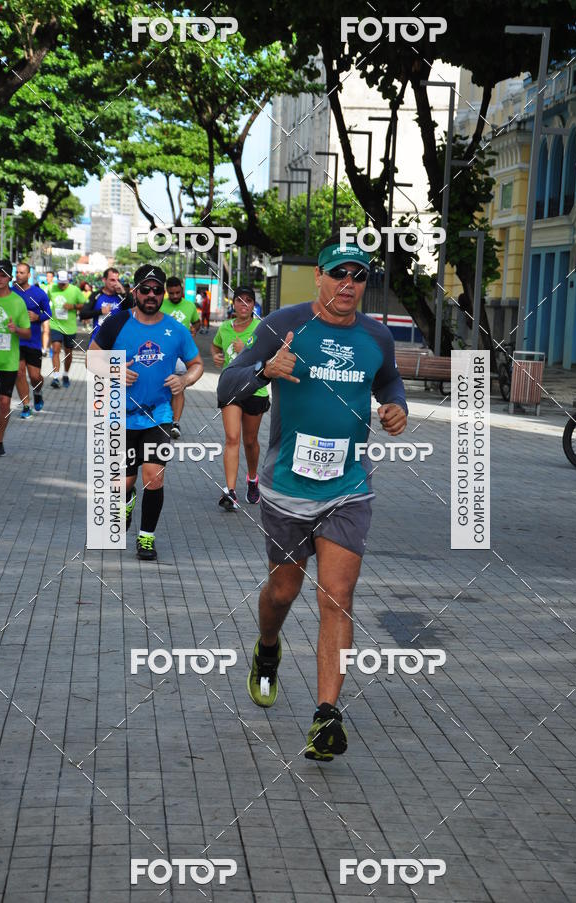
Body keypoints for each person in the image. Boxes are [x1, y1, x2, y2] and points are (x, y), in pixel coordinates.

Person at [217, 234, 408, 761]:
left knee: (336, 598)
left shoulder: (377, 336)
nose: (349, 284)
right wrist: (261, 371)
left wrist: (397, 409)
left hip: (348, 487)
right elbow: (226, 386)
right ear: (319, 277)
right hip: (287, 487)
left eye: (360, 276)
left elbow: (389, 383)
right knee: (282, 592)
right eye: (339, 274)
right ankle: (267, 650)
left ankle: (326, 717)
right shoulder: (282, 325)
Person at [89, 264, 203, 561]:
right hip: (120, 415)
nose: (152, 295)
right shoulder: (116, 322)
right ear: (135, 291)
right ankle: (126, 501)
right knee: (124, 482)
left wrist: (184, 380)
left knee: (154, 477)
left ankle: (146, 538)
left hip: (159, 415)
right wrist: (113, 369)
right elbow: (91, 358)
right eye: (146, 289)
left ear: (163, 293)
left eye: (157, 290)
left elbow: (197, 365)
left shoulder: (176, 330)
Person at [212, 286, 270, 510]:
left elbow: (271, 356)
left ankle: (253, 479)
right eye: (239, 301)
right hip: (230, 388)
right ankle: (230, 491)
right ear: (233, 304)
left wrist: (246, 348)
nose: (244, 305)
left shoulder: (262, 328)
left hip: (255, 389)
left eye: (248, 301)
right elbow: (216, 345)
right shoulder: (225, 328)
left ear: (253, 305)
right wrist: (216, 356)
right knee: (232, 438)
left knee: (249, 441)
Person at [0, 259, 31, 456]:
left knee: (4, 402)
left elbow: (28, 333)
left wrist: (16, 329)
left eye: (2, 276)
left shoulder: (17, 302)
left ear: (9, 278)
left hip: (8, 360)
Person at [160, 275, 201, 439]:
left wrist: (194, 329)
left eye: (178, 292)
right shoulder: (160, 304)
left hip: (181, 355)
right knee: (162, 387)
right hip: (161, 354)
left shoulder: (190, 306)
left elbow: (196, 323)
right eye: (172, 293)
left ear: (182, 290)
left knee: (178, 386)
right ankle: (163, 419)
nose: (175, 296)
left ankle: (175, 423)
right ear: (166, 292)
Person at [11, 262, 51, 417]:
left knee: (35, 376)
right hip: (16, 340)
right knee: (19, 374)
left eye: (22, 273)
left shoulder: (39, 293)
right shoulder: (11, 293)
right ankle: (26, 406)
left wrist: (37, 316)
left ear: (29, 275)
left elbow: (48, 313)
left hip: (33, 341)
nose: (18, 275)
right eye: (17, 273)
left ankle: (38, 392)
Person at [48, 271, 84, 388]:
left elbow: (83, 305)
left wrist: (72, 306)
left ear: (68, 280)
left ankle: (66, 374)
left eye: (64, 283)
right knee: (56, 349)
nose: (62, 285)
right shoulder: (51, 289)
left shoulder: (75, 290)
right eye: (60, 283)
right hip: (55, 325)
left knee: (68, 353)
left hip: (70, 327)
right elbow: (45, 302)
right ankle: (55, 377)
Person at [79, 267, 125, 335]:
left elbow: (134, 312)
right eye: (112, 280)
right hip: (97, 341)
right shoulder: (96, 295)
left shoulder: (121, 296)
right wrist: (100, 311)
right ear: (104, 280)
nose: (116, 283)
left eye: (117, 280)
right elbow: (82, 314)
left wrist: (123, 292)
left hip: (115, 342)